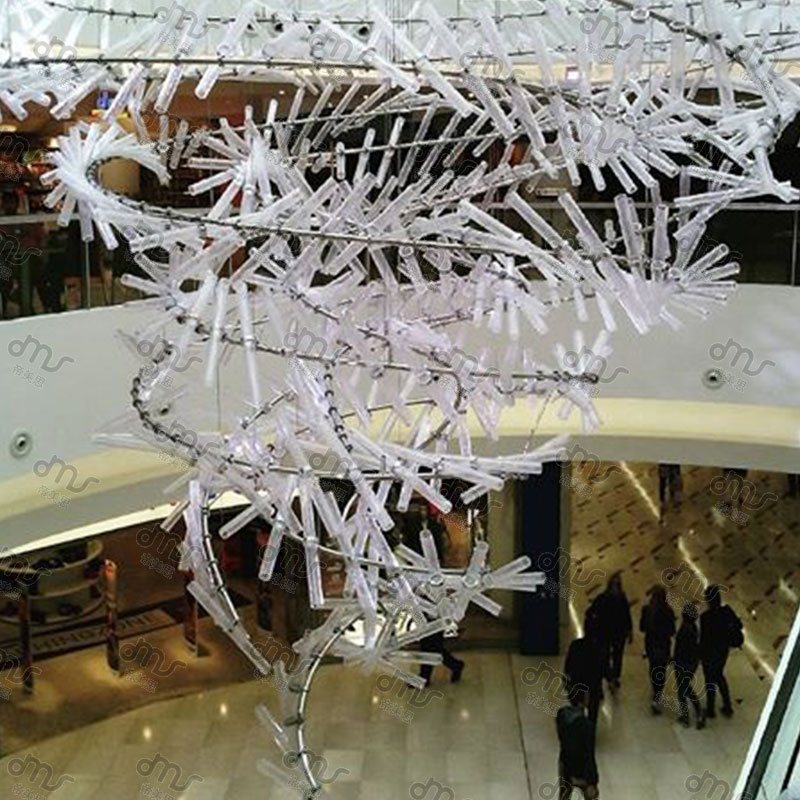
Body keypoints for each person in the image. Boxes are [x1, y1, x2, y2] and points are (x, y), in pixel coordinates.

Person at [417, 504, 464, 686]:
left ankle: (426, 676)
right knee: (430, 640)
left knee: (430, 639)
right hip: (425, 586)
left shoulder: (434, 530)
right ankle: (452, 665)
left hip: (433, 589)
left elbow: (441, 552)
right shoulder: (424, 529)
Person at [700, 584, 742, 719]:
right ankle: (727, 705)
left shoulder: (706, 617)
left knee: (710, 680)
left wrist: (700, 654)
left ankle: (711, 709)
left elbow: (704, 638)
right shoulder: (727, 612)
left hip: (709, 652)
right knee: (719, 675)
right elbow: (739, 625)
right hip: (722, 650)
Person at [586, 572, 633, 690]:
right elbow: (590, 612)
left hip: (615, 633)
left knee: (616, 655)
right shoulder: (608, 598)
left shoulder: (616, 598)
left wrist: (629, 631)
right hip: (607, 632)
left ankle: (613, 676)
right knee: (608, 655)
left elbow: (627, 616)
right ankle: (610, 676)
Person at [556, 684, 599, 799]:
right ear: (582, 701)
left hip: (565, 764)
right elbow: (589, 752)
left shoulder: (562, 715)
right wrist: (593, 779)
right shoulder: (586, 726)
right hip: (582, 770)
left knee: (564, 794)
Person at [639, 586, 676, 714]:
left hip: (651, 644)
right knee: (661, 670)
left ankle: (655, 691)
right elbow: (672, 631)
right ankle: (658, 694)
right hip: (663, 645)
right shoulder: (668, 612)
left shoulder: (647, 610)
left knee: (653, 667)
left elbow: (642, 628)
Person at [673, 603, 706, 729]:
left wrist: (675, 660)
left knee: (683, 690)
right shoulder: (693, 627)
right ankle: (697, 711)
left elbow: (680, 648)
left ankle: (687, 715)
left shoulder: (686, 629)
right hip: (690, 663)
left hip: (683, 662)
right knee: (685, 688)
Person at [564, 623, 605, 726]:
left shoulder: (575, 645)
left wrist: (567, 677)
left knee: (577, 704)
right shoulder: (599, 647)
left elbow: (569, 663)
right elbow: (603, 666)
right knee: (593, 708)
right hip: (594, 681)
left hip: (577, 680)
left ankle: (579, 725)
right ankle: (591, 729)